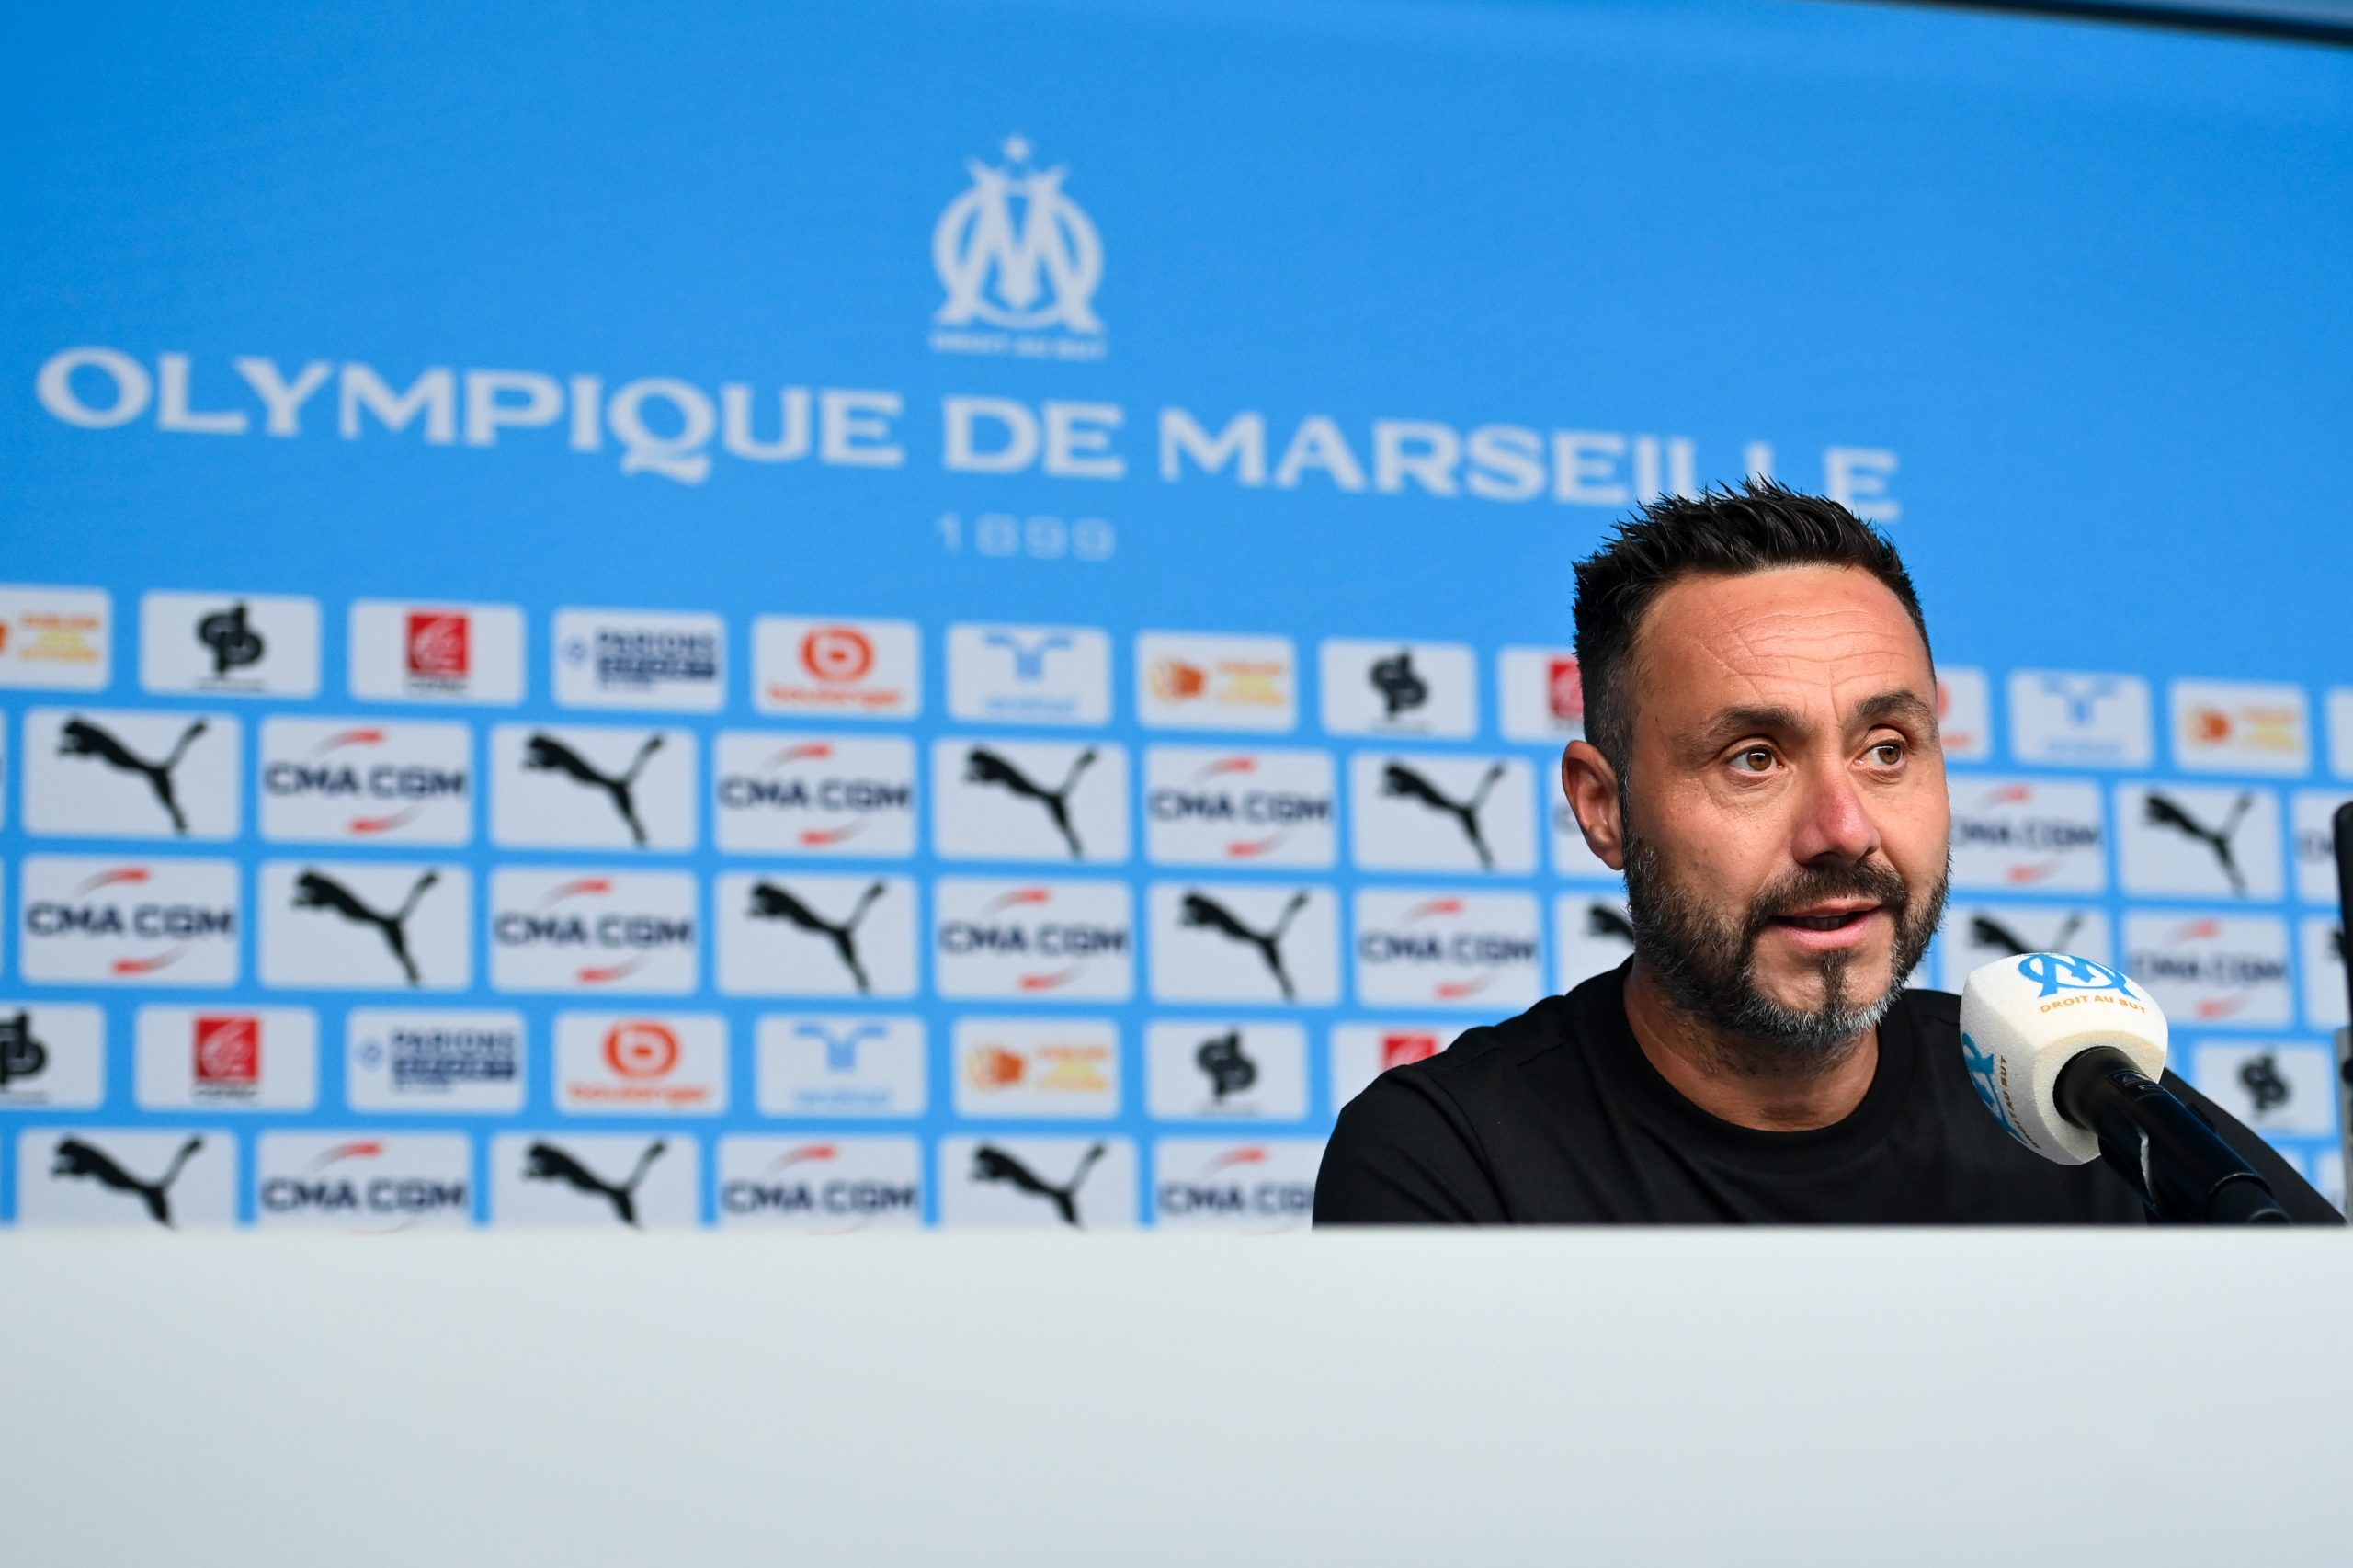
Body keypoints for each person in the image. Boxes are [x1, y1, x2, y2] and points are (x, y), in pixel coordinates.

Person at [1314, 482, 2339, 1224]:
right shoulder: (1450, 1157)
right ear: (1604, 806)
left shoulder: (2080, 1101)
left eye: (1886, 749)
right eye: (1753, 758)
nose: (1843, 829)